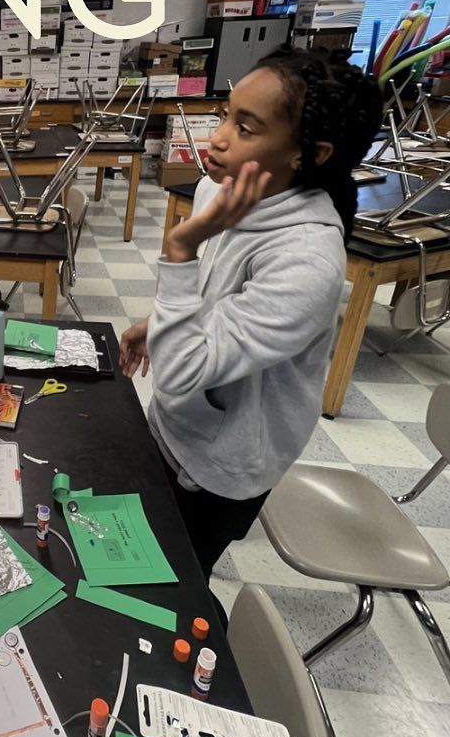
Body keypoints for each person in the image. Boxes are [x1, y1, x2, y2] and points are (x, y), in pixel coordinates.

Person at [120, 48, 383, 579]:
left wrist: (181, 248)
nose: (218, 136)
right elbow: (218, 302)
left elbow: (187, 367)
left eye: (247, 127)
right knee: (137, 559)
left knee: (173, 587)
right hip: (176, 424)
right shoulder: (218, 188)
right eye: (224, 114)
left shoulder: (307, 259)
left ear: (309, 154)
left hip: (221, 465)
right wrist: (160, 324)